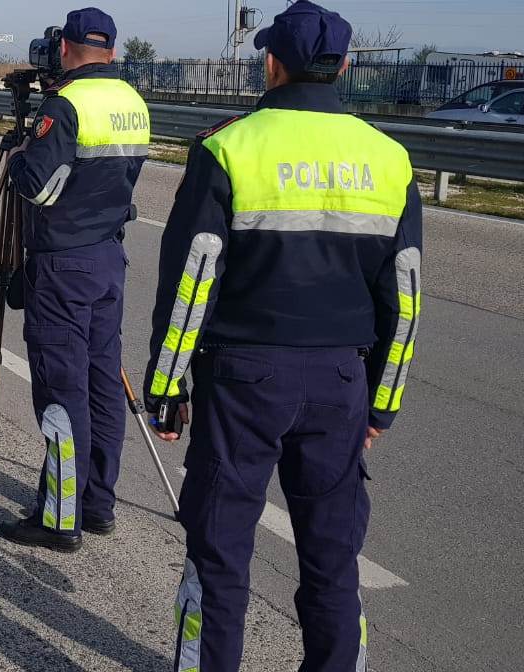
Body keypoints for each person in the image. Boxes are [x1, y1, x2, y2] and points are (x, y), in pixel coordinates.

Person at [142, 2, 422, 669]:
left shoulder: (229, 147)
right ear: (345, 66)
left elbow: (192, 281)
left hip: (243, 379)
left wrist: (165, 386)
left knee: (220, 553)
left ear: (272, 63)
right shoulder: (389, 158)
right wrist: (382, 402)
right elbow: (404, 300)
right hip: (341, 382)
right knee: (332, 559)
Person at [0, 7, 150, 553]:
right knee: (103, 381)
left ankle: (60, 517)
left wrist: (18, 157)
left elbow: (37, 186)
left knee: (63, 393)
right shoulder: (132, 102)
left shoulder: (66, 107)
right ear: (110, 49)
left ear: (64, 48)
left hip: (63, 263)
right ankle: (97, 502)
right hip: (108, 257)